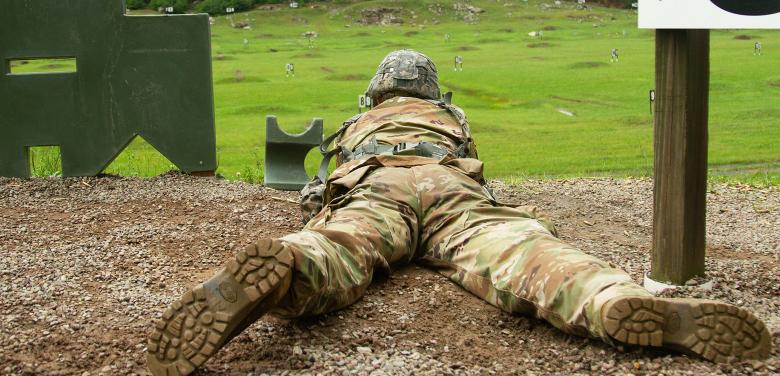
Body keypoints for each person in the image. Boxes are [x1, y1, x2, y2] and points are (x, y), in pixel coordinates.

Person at [147, 50, 770, 376]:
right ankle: (607, 298)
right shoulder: (451, 119)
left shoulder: (357, 122)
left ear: (378, 92)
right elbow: (479, 173)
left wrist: (313, 215)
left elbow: (323, 186)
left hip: (378, 184)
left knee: (341, 244)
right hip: (447, 185)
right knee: (518, 249)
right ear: (431, 90)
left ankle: (290, 270)